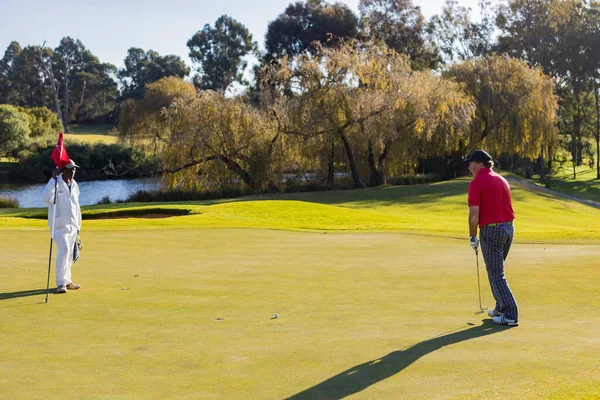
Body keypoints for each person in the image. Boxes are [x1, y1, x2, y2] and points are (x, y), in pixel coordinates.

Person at [466, 150, 518, 326]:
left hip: (492, 231)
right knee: (495, 270)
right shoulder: (500, 179)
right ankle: (501, 307)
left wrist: (472, 236)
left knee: (496, 274)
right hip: (508, 229)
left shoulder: (477, 182)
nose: (469, 167)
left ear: (480, 164)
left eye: (471, 163)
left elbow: (474, 215)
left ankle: (511, 314)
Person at [42, 159, 82, 294]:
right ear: (62, 170)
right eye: (70, 169)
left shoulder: (74, 184)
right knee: (64, 250)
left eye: (74, 169)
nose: (73, 171)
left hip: (72, 225)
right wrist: (53, 179)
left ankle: (67, 280)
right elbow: (47, 198)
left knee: (70, 253)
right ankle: (60, 283)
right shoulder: (55, 183)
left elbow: (76, 207)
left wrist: (78, 228)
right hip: (58, 226)